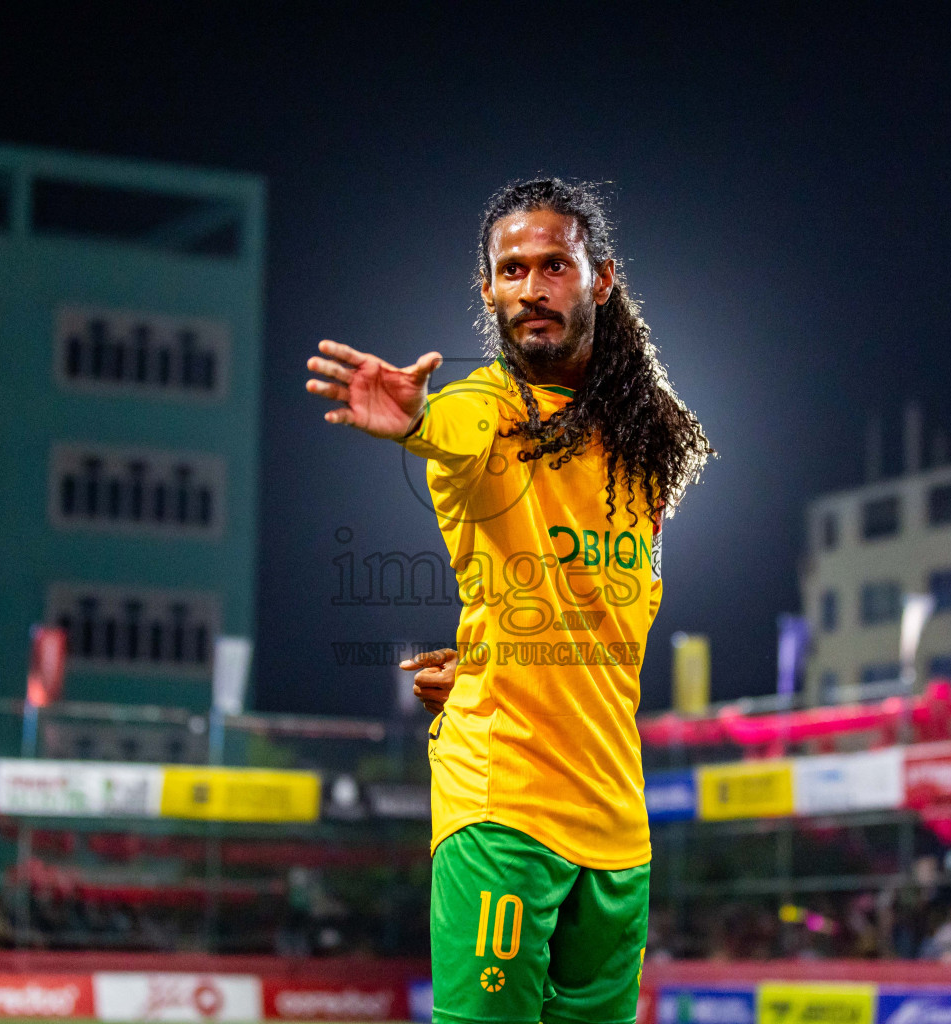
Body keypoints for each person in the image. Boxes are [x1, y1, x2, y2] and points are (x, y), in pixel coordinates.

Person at [307, 178, 712, 1024]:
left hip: (616, 823)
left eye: (554, 265)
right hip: (504, 804)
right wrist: (415, 420)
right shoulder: (481, 411)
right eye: (512, 269)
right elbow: (444, 428)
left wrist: (492, 656)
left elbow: (589, 613)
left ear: (600, 279)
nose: (532, 287)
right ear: (489, 290)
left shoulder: (649, 441)